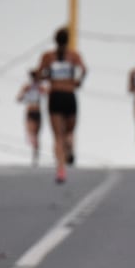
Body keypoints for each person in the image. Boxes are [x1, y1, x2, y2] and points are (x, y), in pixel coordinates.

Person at [37, 28, 86, 184]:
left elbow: (39, 74)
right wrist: (77, 81)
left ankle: (61, 170)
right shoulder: (74, 56)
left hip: (55, 95)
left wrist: (48, 76)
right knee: (69, 132)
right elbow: (84, 70)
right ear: (67, 40)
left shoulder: (48, 57)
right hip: (69, 95)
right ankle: (69, 146)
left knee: (58, 135)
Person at [19, 69, 46, 167]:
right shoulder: (27, 87)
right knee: (33, 134)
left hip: (36, 111)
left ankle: (35, 156)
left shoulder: (39, 87)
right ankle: (34, 152)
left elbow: (46, 94)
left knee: (36, 135)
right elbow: (19, 98)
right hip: (31, 111)